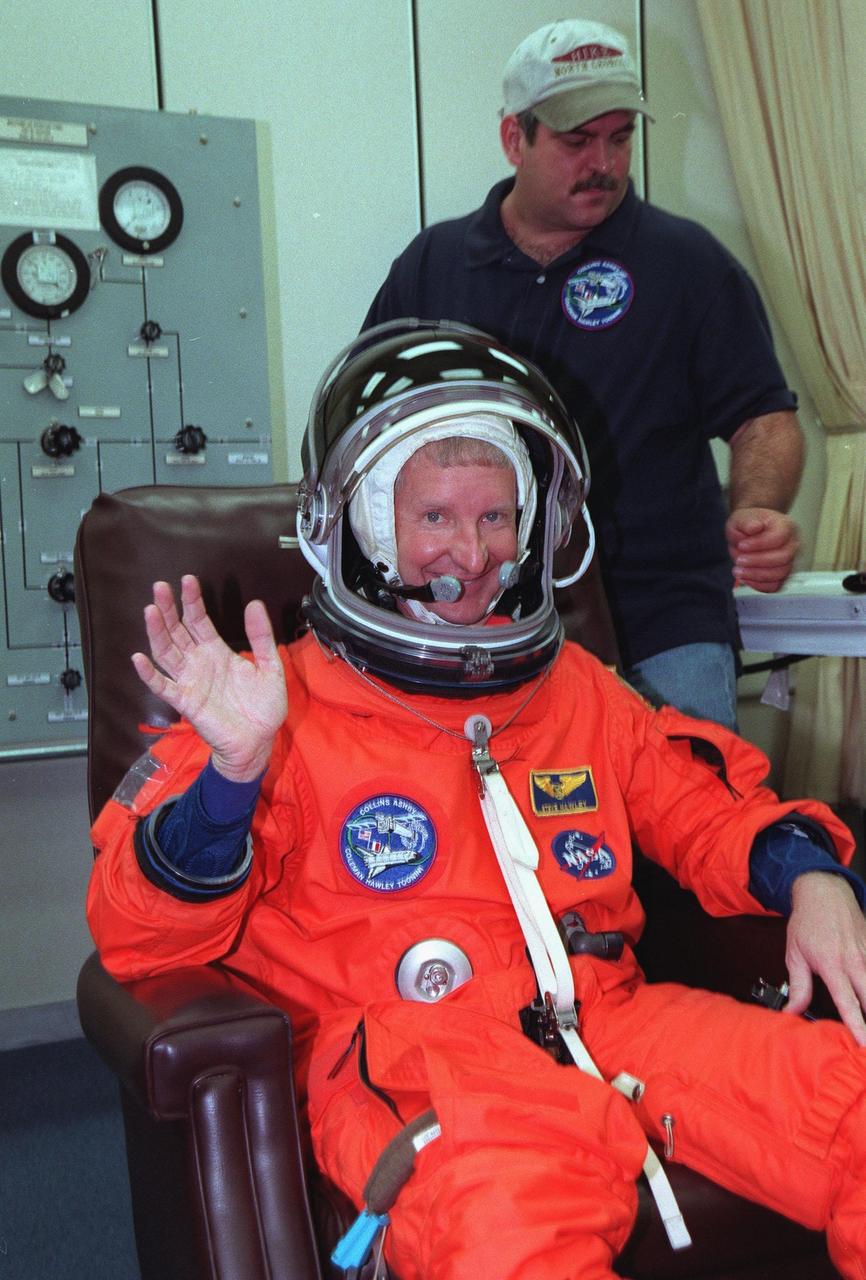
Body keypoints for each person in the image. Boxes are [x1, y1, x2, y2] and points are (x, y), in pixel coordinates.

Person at [86, 323, 866, 1280]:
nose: (476, 551)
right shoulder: (269, 709)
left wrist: (814, 877)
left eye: (497, 518)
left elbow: (707, 808)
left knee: (854, 1111)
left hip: (606, 1013)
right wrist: (230, 780)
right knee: (516, 1214)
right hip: (412, 1048)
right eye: (437, 520)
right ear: (369, 527)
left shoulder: (578, 690)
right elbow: (138, 938)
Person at [363, 18, 805, 729]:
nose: (603, 161)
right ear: (516, 138)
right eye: (576, 140)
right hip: (483, 618)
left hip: (662, 617)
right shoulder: (434, 266)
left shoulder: (688, 264)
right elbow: (372, 424)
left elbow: (764, 417)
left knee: (691, 819)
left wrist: (759, 508)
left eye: (620, 137)